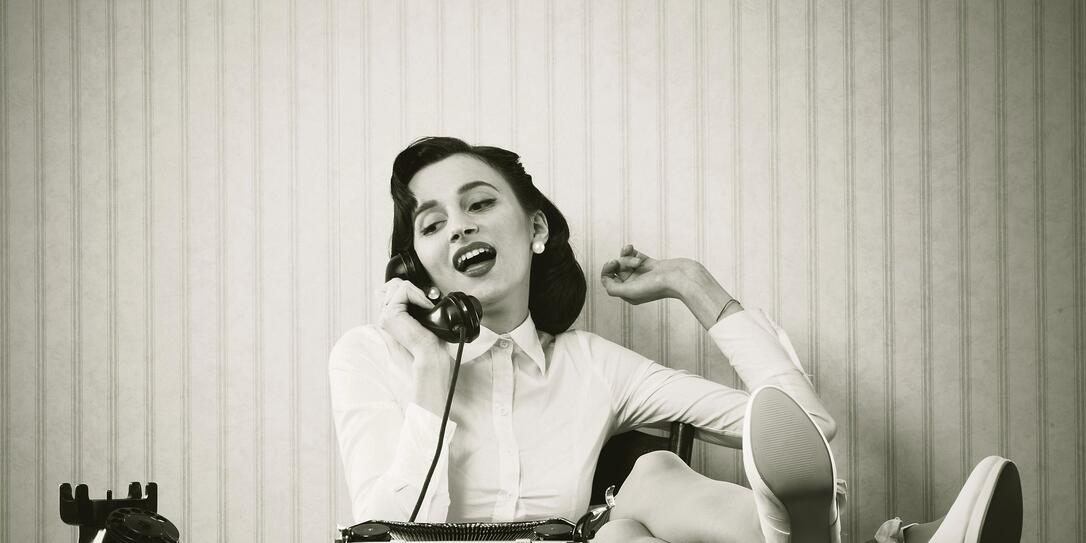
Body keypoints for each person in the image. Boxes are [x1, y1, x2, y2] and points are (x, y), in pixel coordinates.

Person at [329, 137, 1021, 543]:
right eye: (431, 222)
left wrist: (696, 286)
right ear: (414, 266)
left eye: (479, 203)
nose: (459, 227)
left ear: (535, 230)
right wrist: (428, 369)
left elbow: (807, 432)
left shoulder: (594, 366)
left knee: (644, 491)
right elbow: (385, 534)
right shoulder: (370, 357)